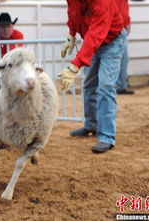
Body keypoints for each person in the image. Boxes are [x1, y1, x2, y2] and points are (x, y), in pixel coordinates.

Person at [58, 0, 127, 153]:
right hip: (92, 38)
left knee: (105, 86)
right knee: (89, 85)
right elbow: (73, 13)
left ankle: (107, 137)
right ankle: (91, 125)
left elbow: (96, 34)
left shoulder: (103, 2)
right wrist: (71, 33)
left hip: (112, 41)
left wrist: (75, 64)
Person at [115, 0, 134, 95]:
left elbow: (124, 10)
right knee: (121, 59)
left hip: (121, 27)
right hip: (115, 27)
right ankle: (120, 85)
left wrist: (127, 22)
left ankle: (121, 85)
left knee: (123, 59)